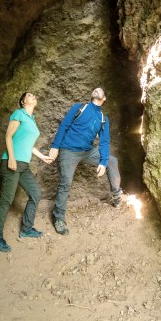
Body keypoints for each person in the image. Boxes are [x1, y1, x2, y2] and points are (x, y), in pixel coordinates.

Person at [49, 87, 123, 235]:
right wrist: (55, 146)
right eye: (96, 89)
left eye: (102, 90)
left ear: (104, 99)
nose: (98, 89)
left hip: (87, 152)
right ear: (92, 95)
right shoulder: (79, 108)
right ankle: (59, 218)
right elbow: (64, 125)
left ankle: (117, 195)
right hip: (68, 150)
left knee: (112, 161)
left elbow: (104, 141)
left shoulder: (103, 118)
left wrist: (103, 162)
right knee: (66, 181)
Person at [0, 92, 53, 253]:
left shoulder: (31, 120)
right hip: (12, 162)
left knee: (35, 194)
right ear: (22, 101)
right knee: (6, 200)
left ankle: (26, 229)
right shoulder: (19, 113)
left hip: (23, 165)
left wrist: (43, 157)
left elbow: (29, 145)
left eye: (34, 95)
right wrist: (11, 157)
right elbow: (9, 136)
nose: (33, 96)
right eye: (29, 95)